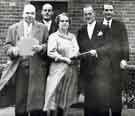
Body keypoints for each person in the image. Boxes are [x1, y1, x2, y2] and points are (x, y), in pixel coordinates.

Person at [4, 4, 48, 116]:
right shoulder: (13, 28)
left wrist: (41, 48)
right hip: (19, 69)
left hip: (37, 70)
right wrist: (13, 50)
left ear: (35, 14)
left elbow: (48, 45)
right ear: (23, 13)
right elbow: (7, 47)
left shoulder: (42, 28)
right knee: (20, 101)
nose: (29, 15)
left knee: (36, 102)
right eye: (27, 13)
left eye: (32, 13)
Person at [77, 5, 115, 116]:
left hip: (102, 71)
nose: (88, 16)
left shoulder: (104, 28)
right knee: (89, 103)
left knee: (103, 103)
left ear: (94, 14)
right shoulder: (81, 30)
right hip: (87, 71)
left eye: (90, 14)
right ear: (83, 16)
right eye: (85, 14)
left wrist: (97, 51)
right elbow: (79, 48)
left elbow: (109, 46)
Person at [43, 12, 79, 116]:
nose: (64, 23)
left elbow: (76, 50)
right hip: (57, 70)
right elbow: (51, 52)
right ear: (58, 23)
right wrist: (64, 59)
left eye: (66, 21)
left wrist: (76, 55)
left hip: (70, 71)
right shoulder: (53, 36)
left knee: (66, 98)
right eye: (62, 21)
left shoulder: (72, 37)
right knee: (54, 98)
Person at [102, 3, 129, 116]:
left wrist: (124, 59)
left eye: (110, 10)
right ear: (102, 12)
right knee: (103, 94)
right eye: (106, 10)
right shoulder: (98, 26)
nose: (108, 12)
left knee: (116, 94)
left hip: (116, 66)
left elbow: (125, 43)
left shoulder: (120, 25)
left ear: (113, 12)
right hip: (101, 67)